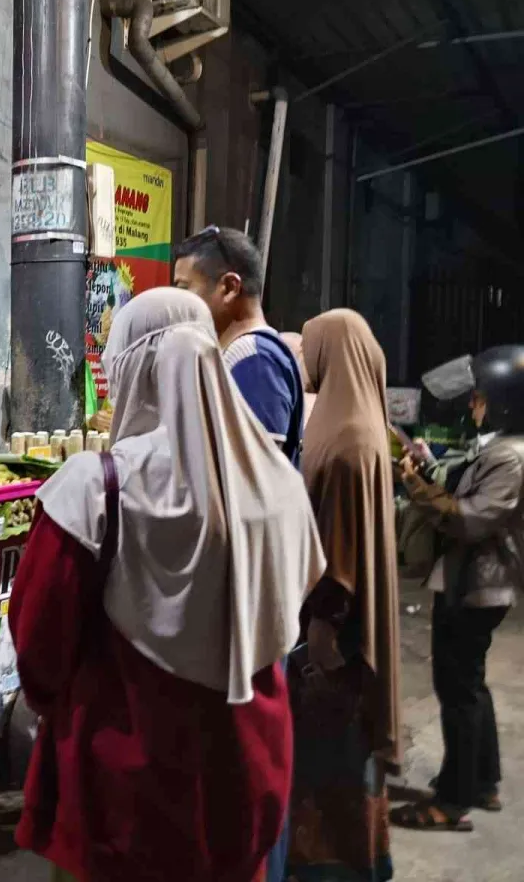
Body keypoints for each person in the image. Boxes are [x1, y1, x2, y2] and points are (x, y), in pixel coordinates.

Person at [9, 288, 325, 882]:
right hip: (248, 772)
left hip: (126, 788)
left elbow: (38, 639)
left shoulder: (96, 487)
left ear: (132, 368)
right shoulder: (276, 483)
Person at [175, 226, 305, 882]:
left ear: (228, 288)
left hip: (251, 597)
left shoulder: (249, 358)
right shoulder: (235, 355)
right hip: (247, 592)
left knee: (251, 763)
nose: (180, 309)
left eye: (186, 291)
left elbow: (246, 489)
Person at [286, 309, 400, 882]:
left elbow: (339, 557)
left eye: (311, 348)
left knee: (332, 775)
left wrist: (321, 644)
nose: (305, 359)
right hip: (343, 637)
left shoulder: (349, 440)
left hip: (335, 645)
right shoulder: (355, 421)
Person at [391, 345, 523, 831]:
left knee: (457, 690)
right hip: (474, 582)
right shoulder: (500, 447)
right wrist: (428, 464)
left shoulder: (510, 457)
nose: (473, 405)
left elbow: (469, 518)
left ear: (505, 402)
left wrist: (417, 488)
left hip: (476, 586)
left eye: (481, 398)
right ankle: (483, 782)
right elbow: (465, 482)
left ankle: (451, 801)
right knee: (470, 685)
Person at [174, 225, 303, 464]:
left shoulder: (256, 359)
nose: (179, 303)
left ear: (230, 288)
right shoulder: (240, 354)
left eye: (184, 289)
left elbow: (257, 472)